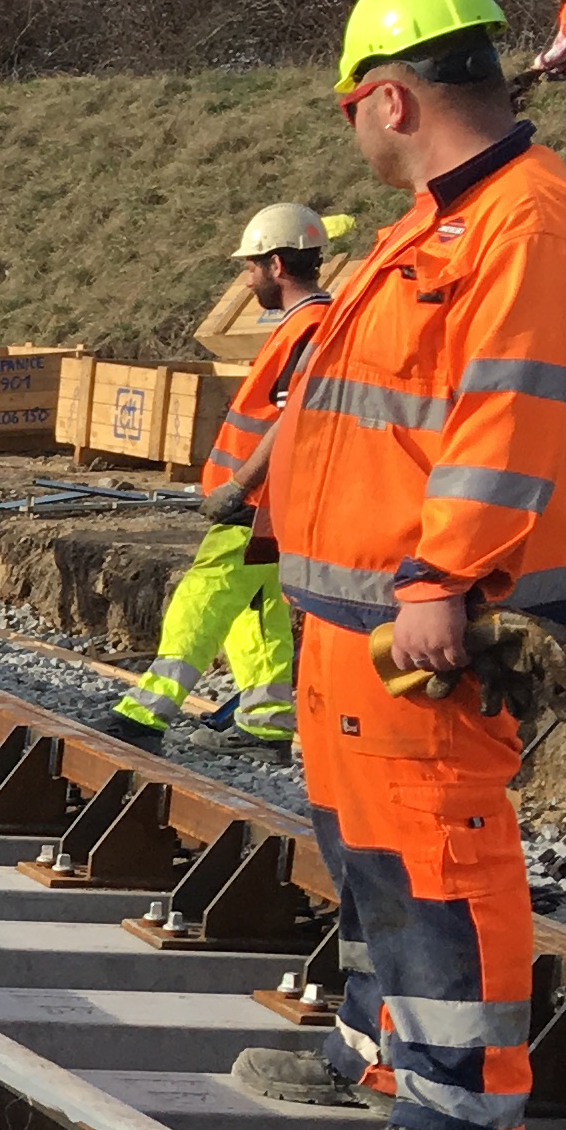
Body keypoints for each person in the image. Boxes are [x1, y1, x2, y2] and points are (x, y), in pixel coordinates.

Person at [241, 0, 566, 1130]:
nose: (350, 131)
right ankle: (380, 1047)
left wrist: (441, 580)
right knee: (366, 844)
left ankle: (461, 1118)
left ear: (391, 99)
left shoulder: (529, 224)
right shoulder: (443, 221)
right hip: (356, 606)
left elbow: (502, 421)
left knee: (438, 848)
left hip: (432, 609)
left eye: (349, 105)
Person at [112, 202, 345, 756]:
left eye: (250, 267)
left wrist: (239, 485)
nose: (245, 278)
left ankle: (144, 718)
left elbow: (292, 421)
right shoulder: (306, 323)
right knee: (256, 609)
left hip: (258, 500)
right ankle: (265, 722)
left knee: (204, 596)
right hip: (272, 500)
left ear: (278, 265)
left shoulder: (309, 329)